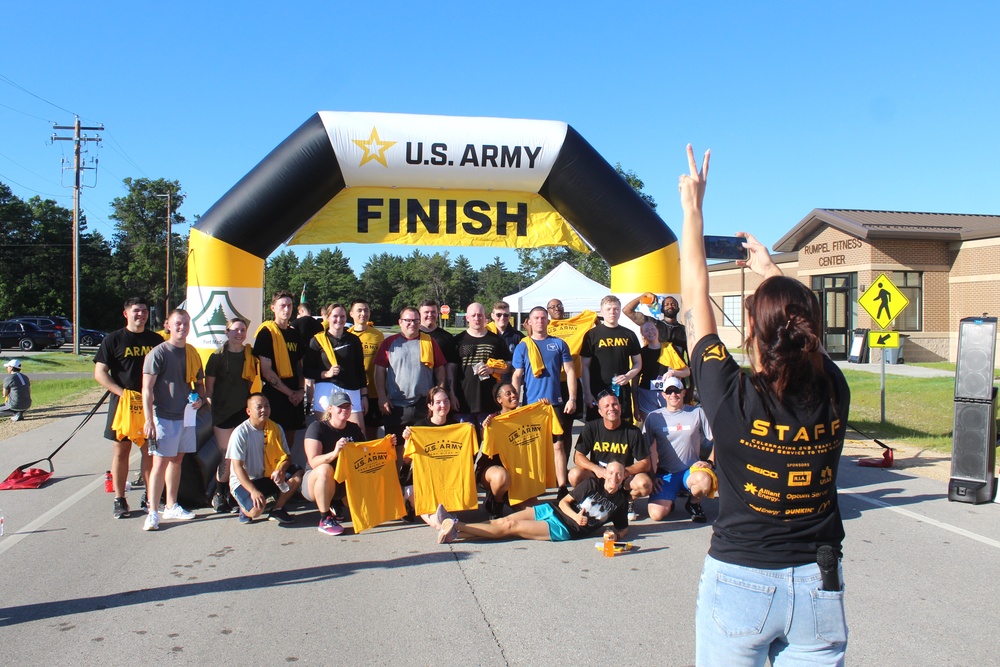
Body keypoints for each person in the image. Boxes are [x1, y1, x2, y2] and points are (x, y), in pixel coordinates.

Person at [679, 145, 850, 664]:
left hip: (742, 578)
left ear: (751, 330)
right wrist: (769, 272)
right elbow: (804, 335)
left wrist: (693, 212)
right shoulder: (834, 390)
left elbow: (693, 299)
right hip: (820, 585)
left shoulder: (730, 395)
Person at [94, 296, 168, 519]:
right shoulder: (113, 339)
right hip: (124, 404)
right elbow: (100, 373)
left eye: (144, 310)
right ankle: (120, 499)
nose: (141, 314)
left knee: (149, 451)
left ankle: (149, 496)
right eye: (136, 310)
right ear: (126, 313)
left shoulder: (156, 340)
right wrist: (122, 393)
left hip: (150, 403)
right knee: (121, 451)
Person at [435, 460, 629, 544]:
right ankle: (455, 533)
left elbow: (623, 527)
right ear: (605, 473)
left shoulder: (620, 501)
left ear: (623, 477)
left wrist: (616, 536)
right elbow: (564, 503)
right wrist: (576, 516)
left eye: (619, 474)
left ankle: (454, 524)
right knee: (503, 521)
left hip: (563, 529)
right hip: (554, 510)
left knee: (510, 525)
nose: (614, 476)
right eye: (611, 472)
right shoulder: (592, 483)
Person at [140, 309, 206, 531]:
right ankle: (152, 512)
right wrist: (149, 420)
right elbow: (147, 389)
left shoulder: (192, 353)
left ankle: (171, 505)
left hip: (186, 416)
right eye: (178, 323)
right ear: (168, 325)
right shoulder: (158, 353)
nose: (182, 327)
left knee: (177, 460)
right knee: (159, 462)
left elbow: (199, 385)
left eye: (186, 323)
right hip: (164, 416)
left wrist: (201, 400)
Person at [511, 306, 577, 495]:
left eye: (543, 318)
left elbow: (570, 371)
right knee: (533, 448)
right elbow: (517, 375)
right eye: (536, 318)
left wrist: (571, 398)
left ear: (548, 321)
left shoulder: (558, 344)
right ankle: (535, 486)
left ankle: (562, 487)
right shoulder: (523, 346)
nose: (540, 321)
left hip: (554, 403)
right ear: (529, 322)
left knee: (558, 445)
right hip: (531, 405)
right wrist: (515, 402)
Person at [402, 386, 478, 530]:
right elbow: (406, 461)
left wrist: (468, 431)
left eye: (446, 401)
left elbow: (470, 457)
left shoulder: (458, 428)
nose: (443, 405)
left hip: (448, 482)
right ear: (430, 406)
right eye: (438, 402)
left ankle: (446, 524)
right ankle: (442, 526)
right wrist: (407, 441)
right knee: (414, 495)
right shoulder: (419, 428)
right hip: (424, 482)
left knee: (441, 511)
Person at [374, 306, 447, 455]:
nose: (412, 324)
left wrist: (440, 392)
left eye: (415, 320)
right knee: (396, 448)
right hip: (396, 406)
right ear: (400, 322)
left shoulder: (429, 342)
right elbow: (379, 370)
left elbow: (440, 368)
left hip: (423, 404)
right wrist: (382, 396)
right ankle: (398, 477)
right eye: (408, 320)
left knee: (424, 447)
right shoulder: (390, 343)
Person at [641, 377, 715, 523]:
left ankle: (693, 503)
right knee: (656, 515)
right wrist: (652, 475)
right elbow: (644, 449)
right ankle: (670, 499)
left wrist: (710, 462)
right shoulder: (654, 417)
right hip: (666, 473)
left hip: (691, 470)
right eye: (669, 391)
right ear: (663, 395)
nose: (673, 395)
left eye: (677, 391)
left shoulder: (697, 412)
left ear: (683, 392)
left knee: (705, 481)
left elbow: (717, 439)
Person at [569, 392, 652, 519]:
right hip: (599, 476)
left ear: (620, 407)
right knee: (574, 475)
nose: (611, 408)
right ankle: (589, 500)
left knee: (644, 483)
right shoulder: (591, 427)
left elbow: (646, 463)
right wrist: (596, 469)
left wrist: (625, 471)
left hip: (622, 478)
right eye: (606, 406)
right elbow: (578, 456)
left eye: (614, 404)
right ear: (600, 411)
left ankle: (628, 501)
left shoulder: (633, 431)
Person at [204, 317, 257, 513]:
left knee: (242, 457)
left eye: (242, 330)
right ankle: (219, 493)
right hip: (223, 414)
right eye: (235, 330)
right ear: (227, 332)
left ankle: (236, 493)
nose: (239, 333)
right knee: (226, 456)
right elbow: (209, 389)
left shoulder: (250, 356)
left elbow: (250, 383)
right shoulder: (217, 357)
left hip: (243, 413)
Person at [226, 393, 303, 525]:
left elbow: (287, 457)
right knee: (256, 511)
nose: (264, 410)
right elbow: (237, 467)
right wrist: (253, 491)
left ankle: (277, 508)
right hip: (245, 482)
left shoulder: (276, 428)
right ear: (248, 411)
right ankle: (244, 509)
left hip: (268, 476)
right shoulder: (240, 433)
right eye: (259, 407)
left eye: (266, 406)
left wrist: (280, 469)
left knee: (297, 472)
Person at [303, 392, 365, 536]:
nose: (344, 409)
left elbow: (365, 454)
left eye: (347, 406)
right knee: (325, 469)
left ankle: (335, 503)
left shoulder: (354, 429)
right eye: (340, 406)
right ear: (330, 408)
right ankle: (325, 519)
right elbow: (313, 462)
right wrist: (335, 452)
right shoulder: (317, 427)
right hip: (315, 481)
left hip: (343, 479)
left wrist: (388, 444)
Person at [253, 291, 307, 451]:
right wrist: (289, 393)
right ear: (273, 308)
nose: (286, 309)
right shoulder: (266, 333)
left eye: (289, 306)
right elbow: (267, 371)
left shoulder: (295, 334)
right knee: (271, 441)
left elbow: (299, 366)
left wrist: (300, 390)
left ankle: (285, 472)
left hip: (294, 395)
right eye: (282, 305)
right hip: (275, 395)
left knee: (288, 443)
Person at [303, 303, 367, 427]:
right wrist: (325, 374)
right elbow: (307, 370)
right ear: (327, 317)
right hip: (326, 389)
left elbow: (360, 369)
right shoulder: (317, 340)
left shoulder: (353, 340)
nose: (339, 319)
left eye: (342, 316)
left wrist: (364, 395)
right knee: (327, 434)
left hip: (351, 389)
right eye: (335, 316)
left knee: (357, 433)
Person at [581, 295, 642, 423]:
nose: (612, 312)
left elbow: (638, 363)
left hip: (622, 389)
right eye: (608, 309)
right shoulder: (592, 335)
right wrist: (587, 392)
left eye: (615, 309)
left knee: (623, 425)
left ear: (619, 311)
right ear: (601, 311)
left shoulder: (629, 334)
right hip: (597, 389)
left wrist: (628, 376)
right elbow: (585, 366)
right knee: (597, 427)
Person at [452, 302, 510, 428]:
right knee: (467, 446)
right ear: (467, 318)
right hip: (463, 402)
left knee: (488, 445)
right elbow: (451, 370)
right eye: (473, 315)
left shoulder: (496, 340)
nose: (477, 318)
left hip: (489, 402)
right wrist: (451, 394)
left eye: (480, 315)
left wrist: (493, 369)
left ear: (485, 317)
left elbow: (509, 366)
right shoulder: (458, 341)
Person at [633, 320, 690, 422]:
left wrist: (673, 372)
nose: (650, 332)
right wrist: (636, 406)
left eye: (652, 329)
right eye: (646, 330)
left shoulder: (670, 348)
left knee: (671, 426)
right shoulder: (641, 353)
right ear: (642, 334)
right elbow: (635, 381)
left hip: (668, 394)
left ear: (658, 331)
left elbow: (687, 372)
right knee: (651, 428)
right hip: (647, 395)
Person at [349, 299, 385, 439]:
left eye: (366, 310)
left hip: (373, 392)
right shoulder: (347, 335)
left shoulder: (377, 335)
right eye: (359, 310)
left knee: (371, 431)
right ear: (351, 313)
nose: (363, 313)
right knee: (353, 431)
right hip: (353, 391)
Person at [418, 299, 459, 406]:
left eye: (433, 312)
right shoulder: (413, 335)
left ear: (437, 313)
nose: (430, 315)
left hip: (440, 392)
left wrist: (450, 391)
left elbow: (451, 367)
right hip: (416, 392)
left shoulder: (447, 337)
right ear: (419, 314)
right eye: (426, 312)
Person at [624, 293, 688, 361]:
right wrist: (644, 297)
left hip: (678, 369)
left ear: (678, 309)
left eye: (673, 304)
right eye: (666, 304)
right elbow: (627, 311)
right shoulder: (653, 324)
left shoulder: (685, 330)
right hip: (656, 369)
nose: (670, 306)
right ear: (662, 309)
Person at [291, 303, 325, 412]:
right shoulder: (319, 325)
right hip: (315, 354)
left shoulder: (296, 322)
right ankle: (309, 405)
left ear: (301, 311)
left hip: (300, 354)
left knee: (300, 378)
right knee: (310, 382)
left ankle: (300, 402)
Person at [487, 301, 524, 383]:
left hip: (509, 383)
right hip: (489, 382)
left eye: (506, 315)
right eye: (498, 315)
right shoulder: (486, 334)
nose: (502, 317)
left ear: (510, 315)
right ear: (492, 316)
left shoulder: (518, 336)